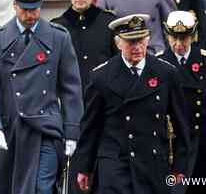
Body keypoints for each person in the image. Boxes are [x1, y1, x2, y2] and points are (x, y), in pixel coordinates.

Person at [0, 0, 84, 194]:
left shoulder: (58, 37)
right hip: (10, 130)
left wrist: (72, 131)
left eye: (35, 9)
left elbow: (71, 87)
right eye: (25, 9)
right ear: (14, 5)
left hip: (47, 128)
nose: (31, 14)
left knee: (42, 188)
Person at [75, 14, 191, 194]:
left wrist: (180, 165)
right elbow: (90, 126)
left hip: (152, 162)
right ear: (118, 43)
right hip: (116, 164)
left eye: (141, 41)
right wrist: (84, 167)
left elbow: (181, 123)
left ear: (148, 39)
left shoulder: (166, 73)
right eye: (130, 42)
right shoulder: (101, 77)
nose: (137, 47)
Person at [158, 11, 206, 194]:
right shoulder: (158, 63)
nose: (178, 44)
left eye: (183, 38)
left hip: (205, 140)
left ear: (193, 36)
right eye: (174, 38)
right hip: (172, 143)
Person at [52, 0, 118, 92]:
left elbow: (118, 61)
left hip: (103, 94)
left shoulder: (110, 23)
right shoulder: (57, 27)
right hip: (70, 96)